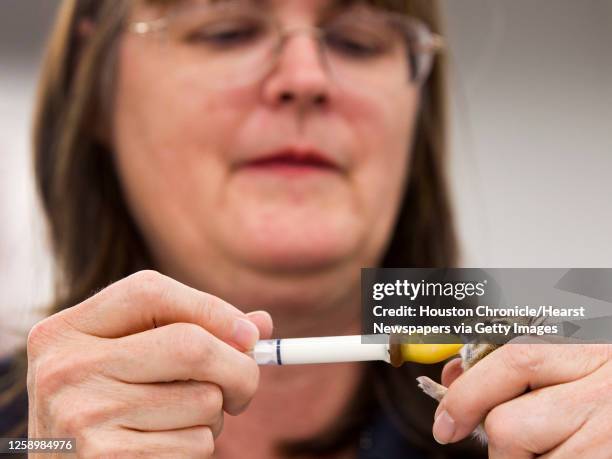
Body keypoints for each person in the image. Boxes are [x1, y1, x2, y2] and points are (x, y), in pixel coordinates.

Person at [1, 0, 610, 458]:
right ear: (97, 79)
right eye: (227, 30)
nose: (306, 77)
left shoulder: (566, 379)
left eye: (360, 41)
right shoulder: (27, 442)